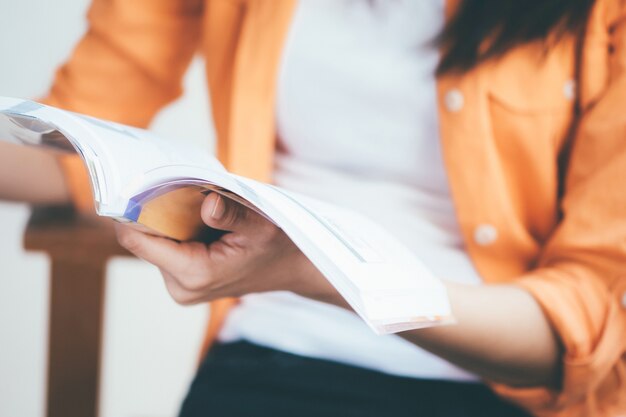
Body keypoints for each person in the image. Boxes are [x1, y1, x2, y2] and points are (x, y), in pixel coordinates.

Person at [1, 0, 625, 416]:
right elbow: (74, 143)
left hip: (494, 382)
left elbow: (586, 323)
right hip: (270, 349)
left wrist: (321, 273)